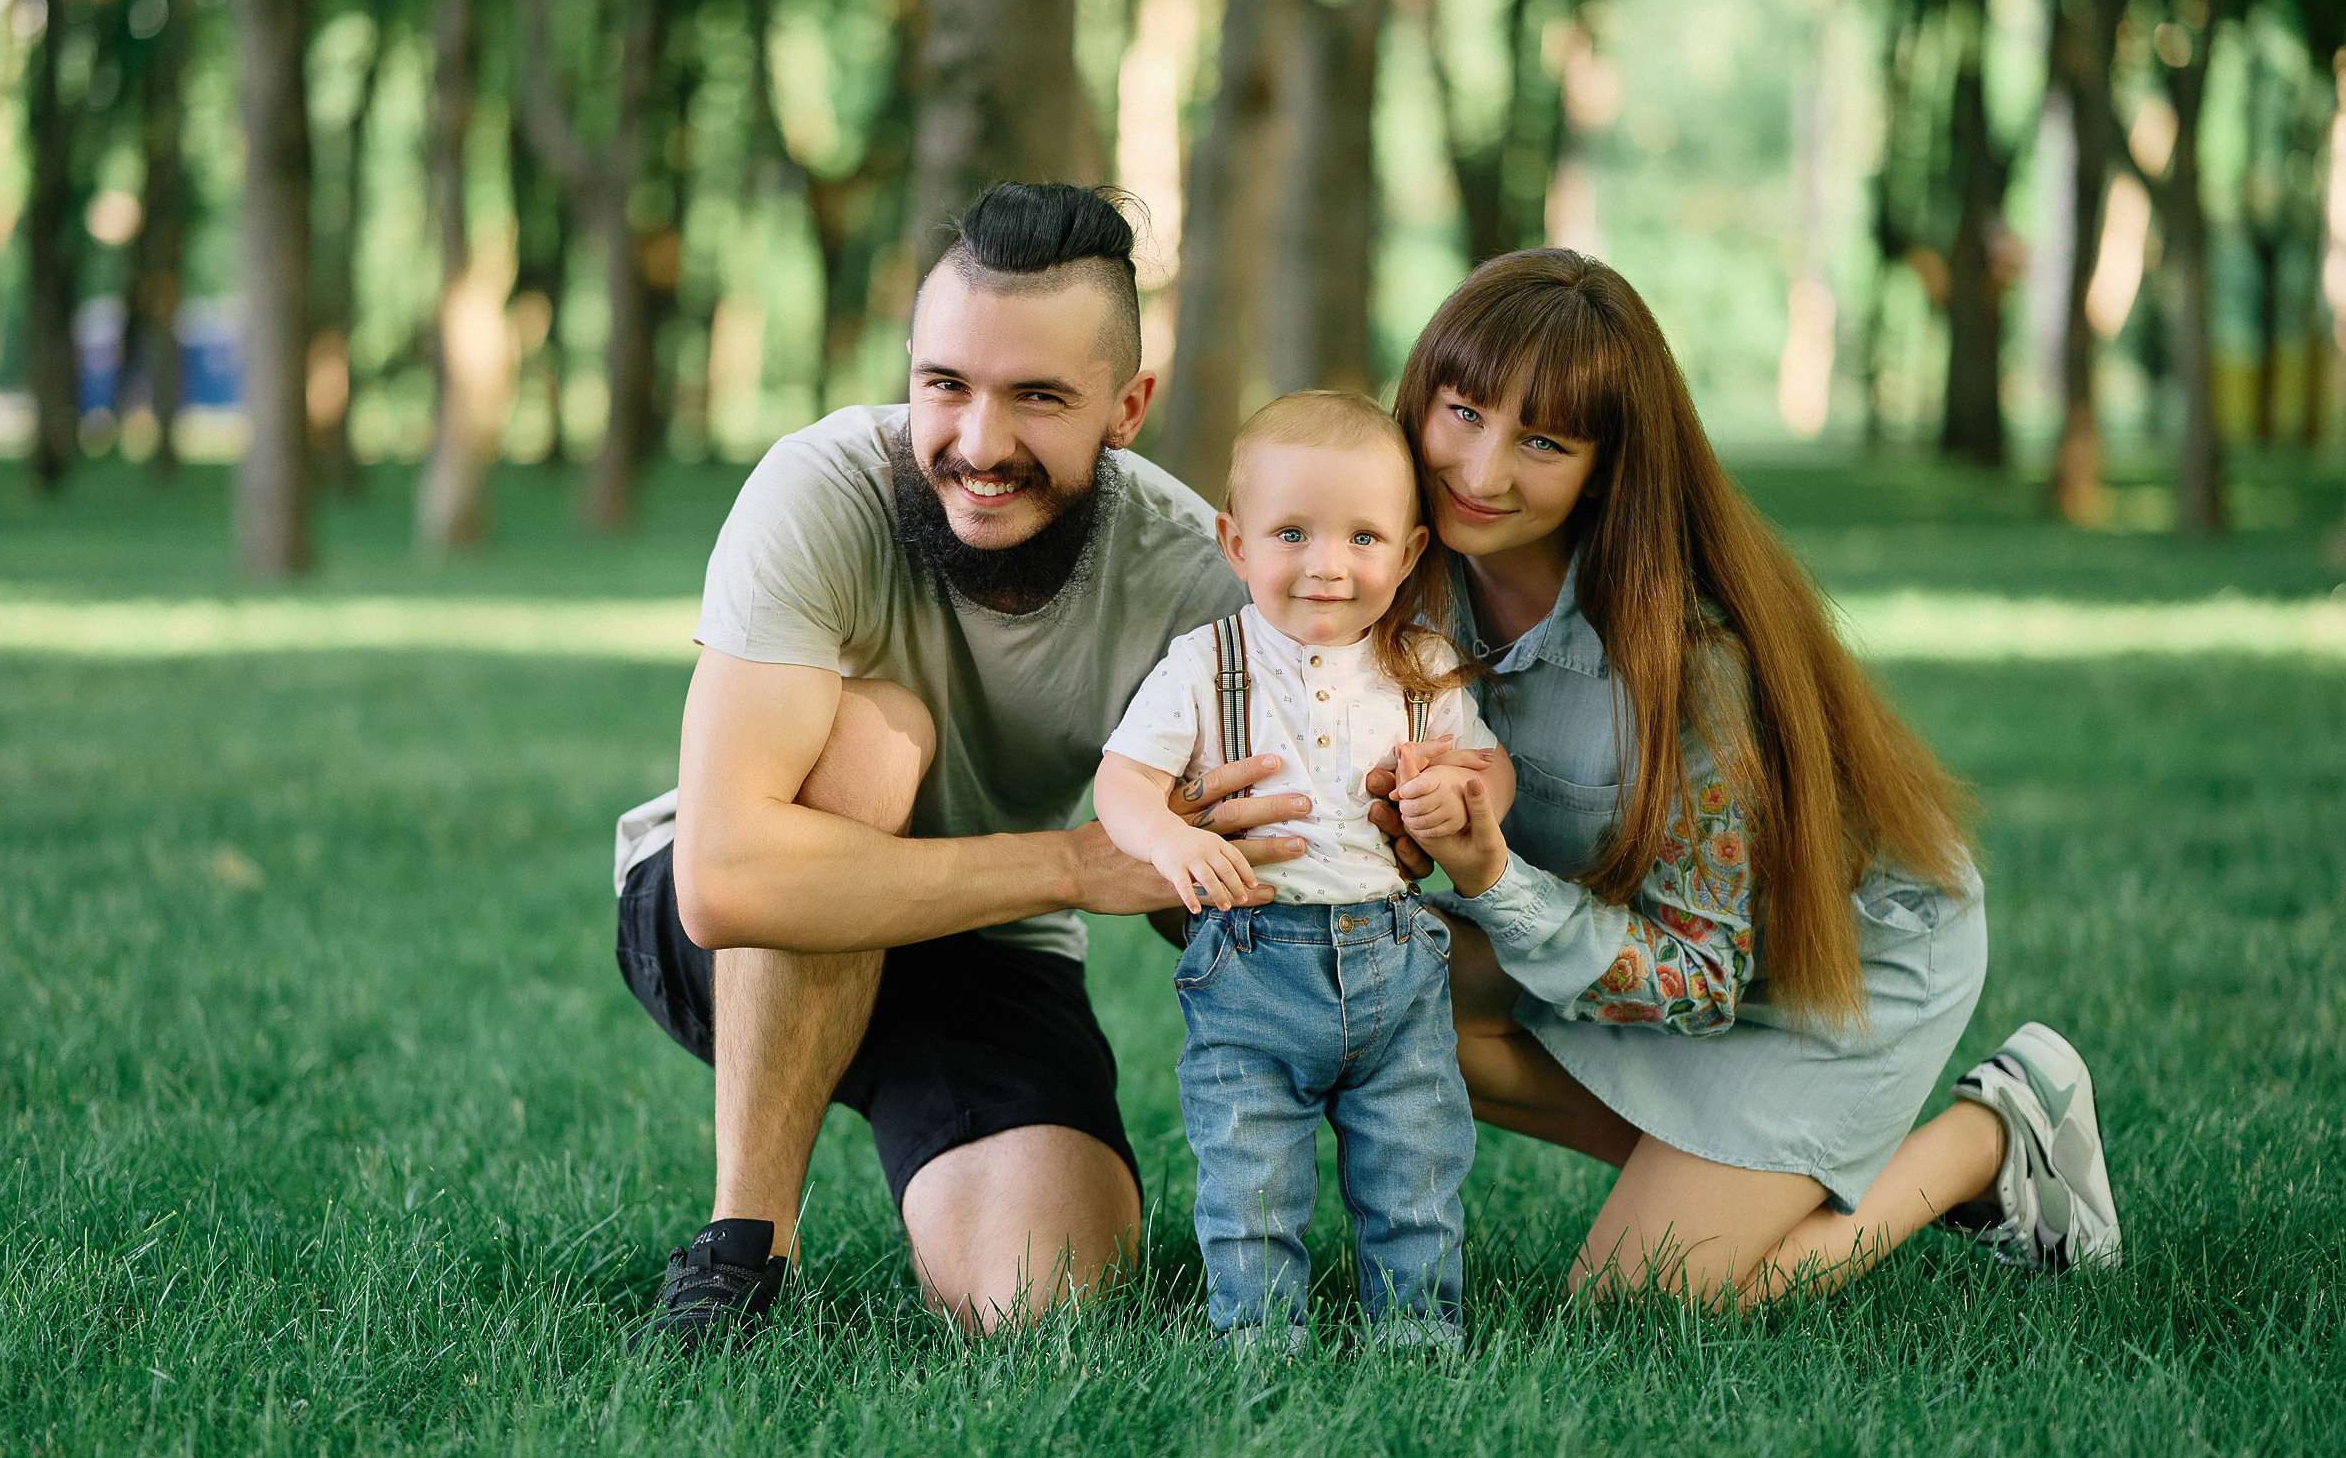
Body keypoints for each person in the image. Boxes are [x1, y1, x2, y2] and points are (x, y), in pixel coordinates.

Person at [611, 183, 1311, 1350]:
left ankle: (922, 1125)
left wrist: (1214, 866)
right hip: (727, 924)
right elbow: (727, 881)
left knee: (1042, 1301)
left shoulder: (1198, 586)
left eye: (1038, 397)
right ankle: (744, 1245)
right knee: (881, 734)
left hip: (985, 942)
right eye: (947, 385)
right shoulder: (820, 489)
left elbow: (1230, 886)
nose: (979, 444)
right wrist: (1078, 866)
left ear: (1126, 406)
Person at [1368, 249, 2122, 1304]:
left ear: (1606, 465)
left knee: (1646, 1300)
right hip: (1629, 934)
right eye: (1463, 412)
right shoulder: (1388, 572)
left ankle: (1992, 1137)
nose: (1483, 471)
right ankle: (1741, 1167)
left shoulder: (1696, 659)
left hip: (1839, 968)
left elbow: (1698, 978)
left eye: (1543, 441)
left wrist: (1492, 879)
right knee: (1352, 993)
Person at [1093, 392, 1514, 1351]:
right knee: (1250, 1170)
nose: (1328, 564)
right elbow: (1121, 780)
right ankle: (1259, 1334)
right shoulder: (1208, 665)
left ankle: (1416, 1333)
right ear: (1234, 544)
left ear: (1409, 553)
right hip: (1252, 964)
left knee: (1415, 1158)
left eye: (1363, 536)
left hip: (1395, 962)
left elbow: (1484, 769)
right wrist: (1168, 839)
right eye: (1293, 533)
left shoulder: (1422, 666)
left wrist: (1460, 802)